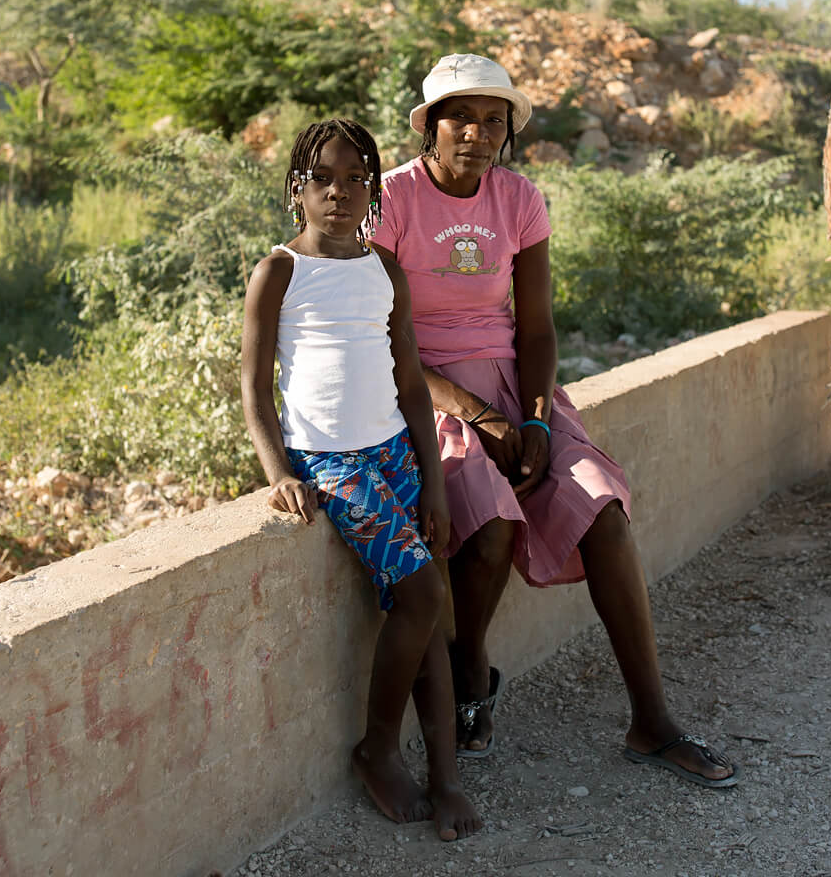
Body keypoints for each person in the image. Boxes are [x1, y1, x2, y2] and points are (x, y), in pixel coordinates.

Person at [368, 55, 737, 789]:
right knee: (492, 525)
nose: (477, 133)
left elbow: (535, 330)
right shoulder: (393, 201)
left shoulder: (520, 200)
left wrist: (534, 421)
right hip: (425, 392)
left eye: (493, 121)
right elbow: (387, 337)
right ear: (429, 126)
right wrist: (476, 417)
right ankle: (471, 666)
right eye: (460, 118)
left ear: (508, 134)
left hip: (516, 388)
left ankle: (652, 721)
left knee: (602, 509)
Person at [241, 118, 483, 841]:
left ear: (373, 190)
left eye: (354, 180)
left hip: (397, 457)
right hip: (334, 464)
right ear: (297, 190)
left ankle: (444, 778)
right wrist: (279, 471)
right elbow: (255, 389)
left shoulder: (386, 270)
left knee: (430, 612)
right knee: (419, 593)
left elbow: (411, 383)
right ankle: (377, 748)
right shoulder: (280, 270)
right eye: (322, 179)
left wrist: (434, 482)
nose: (338, 193)